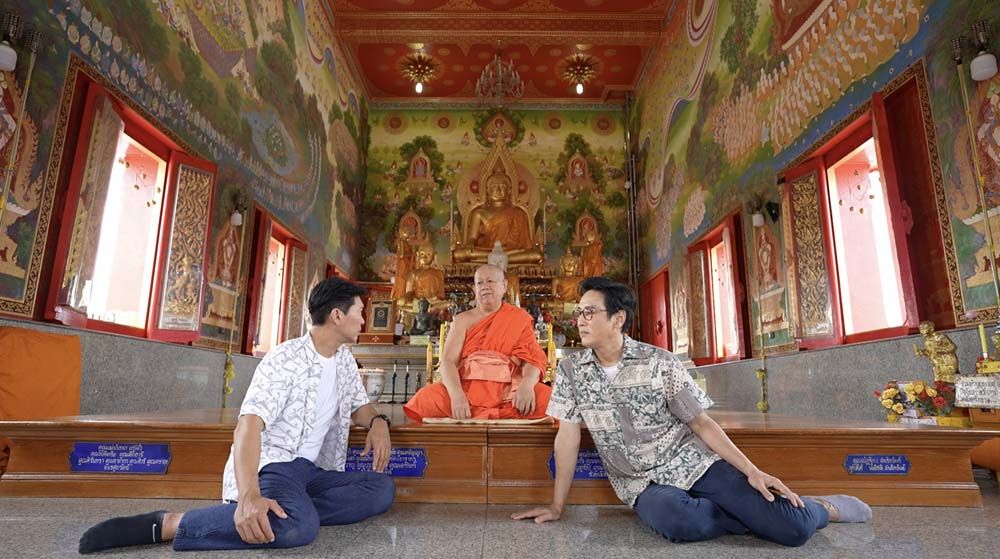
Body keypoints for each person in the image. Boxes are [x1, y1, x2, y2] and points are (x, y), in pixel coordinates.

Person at [512, 277, 871, 546]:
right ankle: (753, 516)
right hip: (643, 483)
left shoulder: (659, 362)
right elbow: (568, 437)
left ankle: (820, 508)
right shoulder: (572, 371)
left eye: (590, 312)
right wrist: (557, 506)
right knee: (680, 523)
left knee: (794, 529)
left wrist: (752, 471)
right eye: (579, 312)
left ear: (618, 319)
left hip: (693, 462)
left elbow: (700, 421)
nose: (580, 319)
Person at [79, 278, 396, 554]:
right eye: (360, 312)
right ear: (337, 316)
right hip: (274, 467)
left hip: (311, 471)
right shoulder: (286, 359)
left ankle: (287, 510)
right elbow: (248, 426)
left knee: (381, 490)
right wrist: (248, 495)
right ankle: (171, 524)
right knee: (298, 528)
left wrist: (377, 422)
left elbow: (359, 406)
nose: (364, 321)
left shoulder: (343, 360)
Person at [404, 264, 551, 420]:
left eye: (490, 281)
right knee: (425, 398)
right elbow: (448, 362)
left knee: (550, 400)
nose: (485, 286)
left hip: (509, 393)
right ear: (474, 289)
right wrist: (456, 395)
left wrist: (527, 385)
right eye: (480, 283)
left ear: (504, 286)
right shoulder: (462, 320)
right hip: (467, 391)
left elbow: (532, 359)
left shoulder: (518, 318)